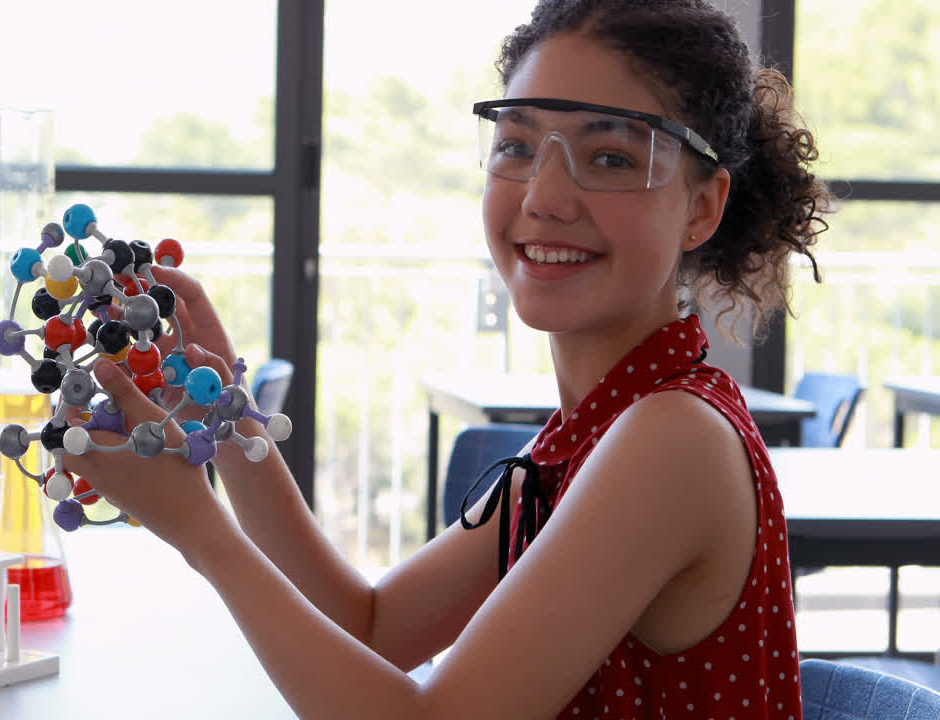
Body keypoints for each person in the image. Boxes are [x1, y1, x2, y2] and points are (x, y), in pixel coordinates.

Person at [64, 0, 831, 717]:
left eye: (609, 158)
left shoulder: (674, 441)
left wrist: (201, 530)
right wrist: (222, 410)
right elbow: (370, 624)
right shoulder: (591, 432)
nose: (545, 196)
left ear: (702, 206)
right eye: (517, 146)